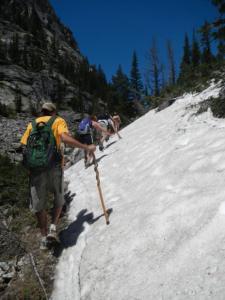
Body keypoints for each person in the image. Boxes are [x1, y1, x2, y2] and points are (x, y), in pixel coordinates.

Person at [20, 102, 96, 250]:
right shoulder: (57, 121)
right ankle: (53, 229)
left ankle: (43, 238)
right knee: (59, 198)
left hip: (35, 169)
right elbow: (64, 138)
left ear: (42, 112)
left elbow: (24, 146)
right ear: (54, 111)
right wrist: (86, 147)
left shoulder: (32, 124)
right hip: (54, 166)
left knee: (38, 205)